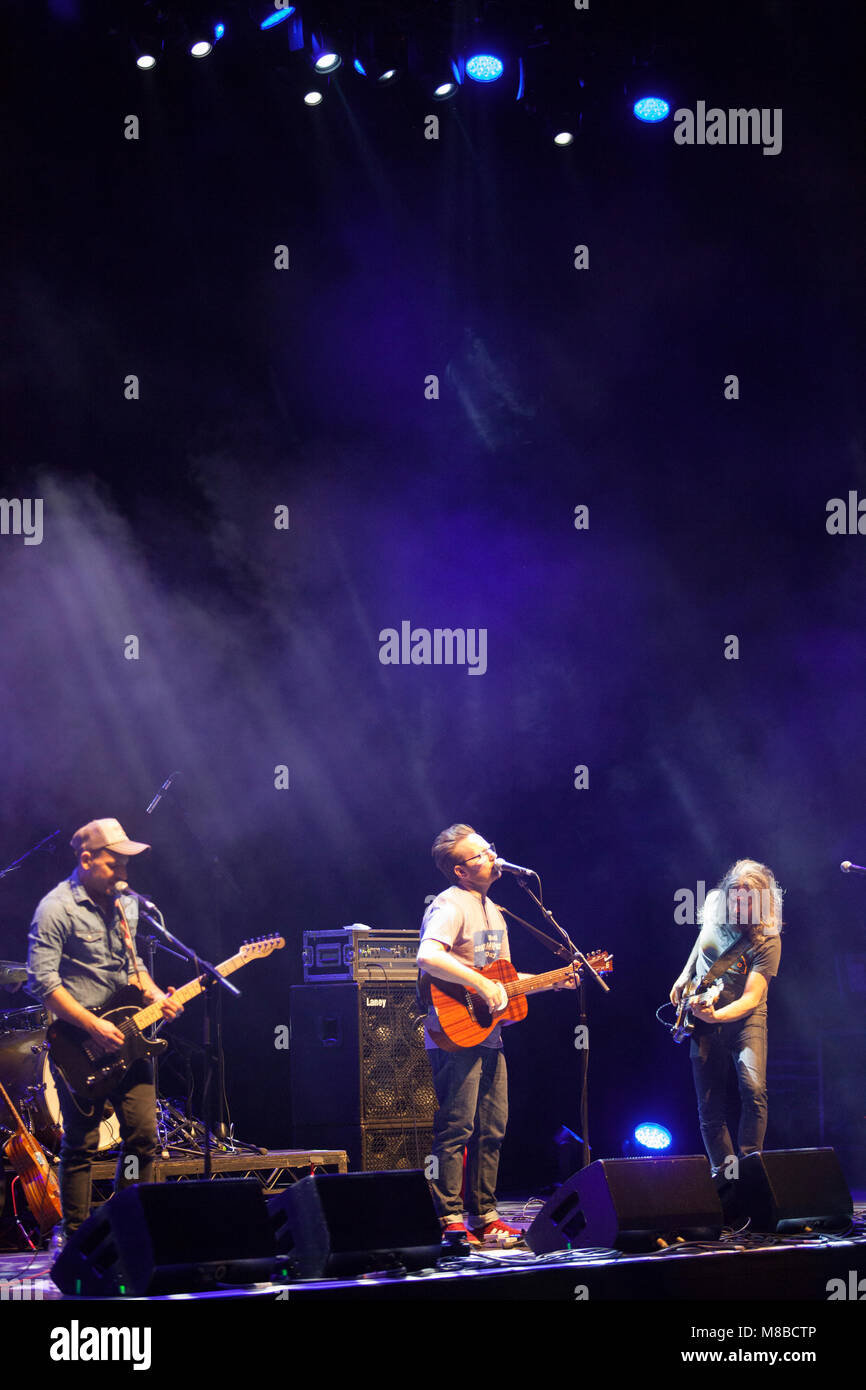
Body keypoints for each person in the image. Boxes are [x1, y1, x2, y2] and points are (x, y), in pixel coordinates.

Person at [417, 824, 574, 1249]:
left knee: (492, 1127)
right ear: (460, 871)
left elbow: (503, 979)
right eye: (481, 854)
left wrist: (551, 982)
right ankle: (448, 1217)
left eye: (490, 849)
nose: (492, 857)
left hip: (487, 1037)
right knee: (456, 1127)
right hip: (453, 1031)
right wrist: (483, 987)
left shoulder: (495, 910)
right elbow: (428, 955)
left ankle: (484, 1215)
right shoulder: (451, 904)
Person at [26, 818, 182, 1244]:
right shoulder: (55, 909)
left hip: (129, 1035)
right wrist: (91, 1023)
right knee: (81, 1142)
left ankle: (126, 1227)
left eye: (127, 864)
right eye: (116, 864)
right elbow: (43, 983)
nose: (124, 873)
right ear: (87, 859)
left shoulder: (126, 905)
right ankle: (75, 1237)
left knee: (143, 1137)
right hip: (77, 1041)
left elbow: (134, 968)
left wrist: (154, 996)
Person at [670, 858, 783, 1176]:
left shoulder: (768, 939)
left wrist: (717, 1016)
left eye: (745, 901)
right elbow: (702, 940)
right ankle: (724, 1176)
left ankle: (749, 1169)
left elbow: (751, 998)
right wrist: (684, 975)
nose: (736, 905)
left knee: (753, 1089)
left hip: (746, 1021)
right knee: (708, 1106)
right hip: (705, 1016)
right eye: (733, 897)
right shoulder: (716, 906)